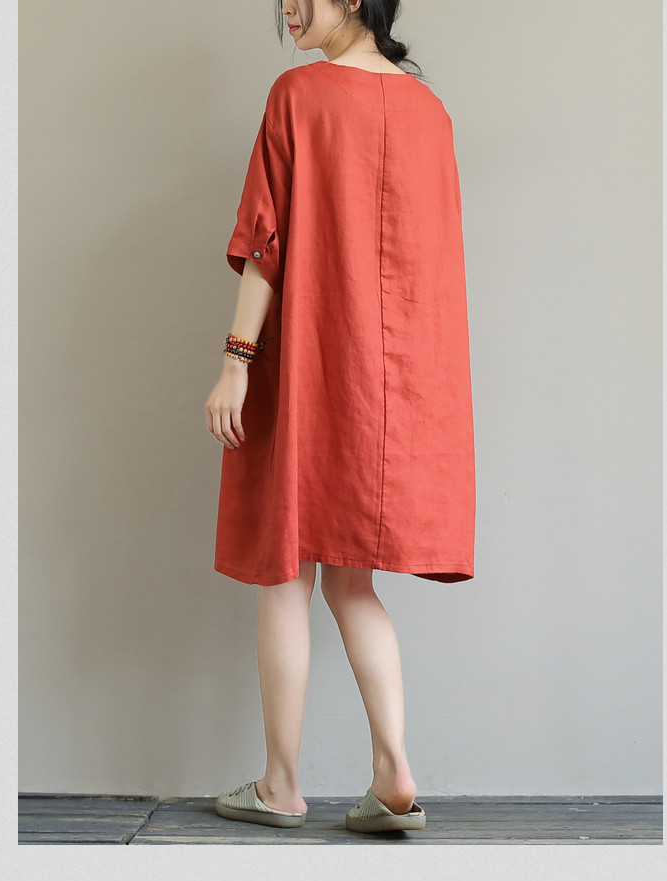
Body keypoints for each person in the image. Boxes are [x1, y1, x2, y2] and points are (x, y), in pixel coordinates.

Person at [205, 0, 474, 833]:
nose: (288, 7)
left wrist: (235, 361)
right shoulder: (430, 113)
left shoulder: (299, 95)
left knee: (286, 573)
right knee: (354, 582)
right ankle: (394, 769)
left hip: (311, 360)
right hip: (392, 386)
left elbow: (265, 241)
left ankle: (281, 783)